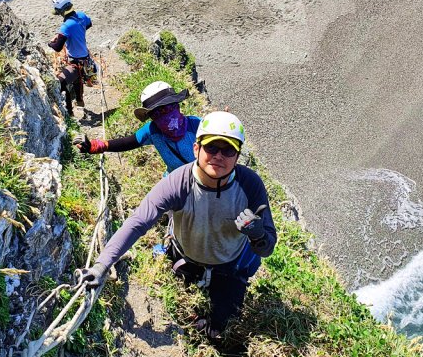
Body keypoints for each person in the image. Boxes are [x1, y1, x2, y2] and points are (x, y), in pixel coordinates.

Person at [80, 111, 276, 341]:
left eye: (228, 150)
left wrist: (258, 234)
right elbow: (138, 222)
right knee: (185, 316)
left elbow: (267, 248)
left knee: (219, 328)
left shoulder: (249, 184)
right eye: (211, 148)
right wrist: (102, 266)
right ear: (196, 149)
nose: (218, 156)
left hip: (229, 266)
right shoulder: (179, 182)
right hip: (186, 259)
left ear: (237, 156)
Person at [74, 81, 200, 173]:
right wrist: (95, 146)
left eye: (167, 108)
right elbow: (128, 142)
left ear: (177, 105)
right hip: (176, 186)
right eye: (156, 113)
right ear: (151, 117)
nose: (164, 115)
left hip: (206, 183)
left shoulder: (198, 126)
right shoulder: (153, 131)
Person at [48, 0, 94, 110]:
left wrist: (51, 42)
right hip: (86, 59)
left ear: (59, 11)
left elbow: (57, 47)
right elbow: (88, 24)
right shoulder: (82, 16)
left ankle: (69, 111)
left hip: (75, 61)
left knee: (61, 83)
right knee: (77, 80)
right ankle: (79, 101)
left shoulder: (66, 26)